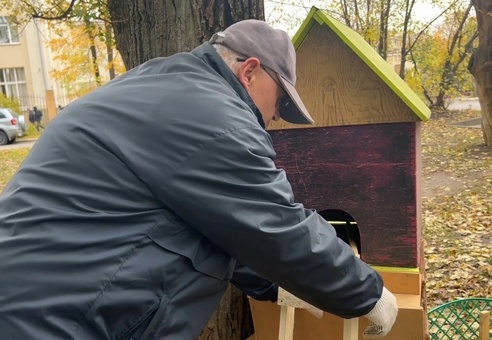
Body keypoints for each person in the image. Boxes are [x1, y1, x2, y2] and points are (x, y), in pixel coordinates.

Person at [0, 20, 398, 339]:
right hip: (59, 320)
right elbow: (275, 224)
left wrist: (273, 283)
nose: (276, 117)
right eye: (280, 101)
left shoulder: (164, 87)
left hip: (36, 298)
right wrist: (368, 291)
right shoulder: (215, 118)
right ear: (250, 71)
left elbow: (211, 224)